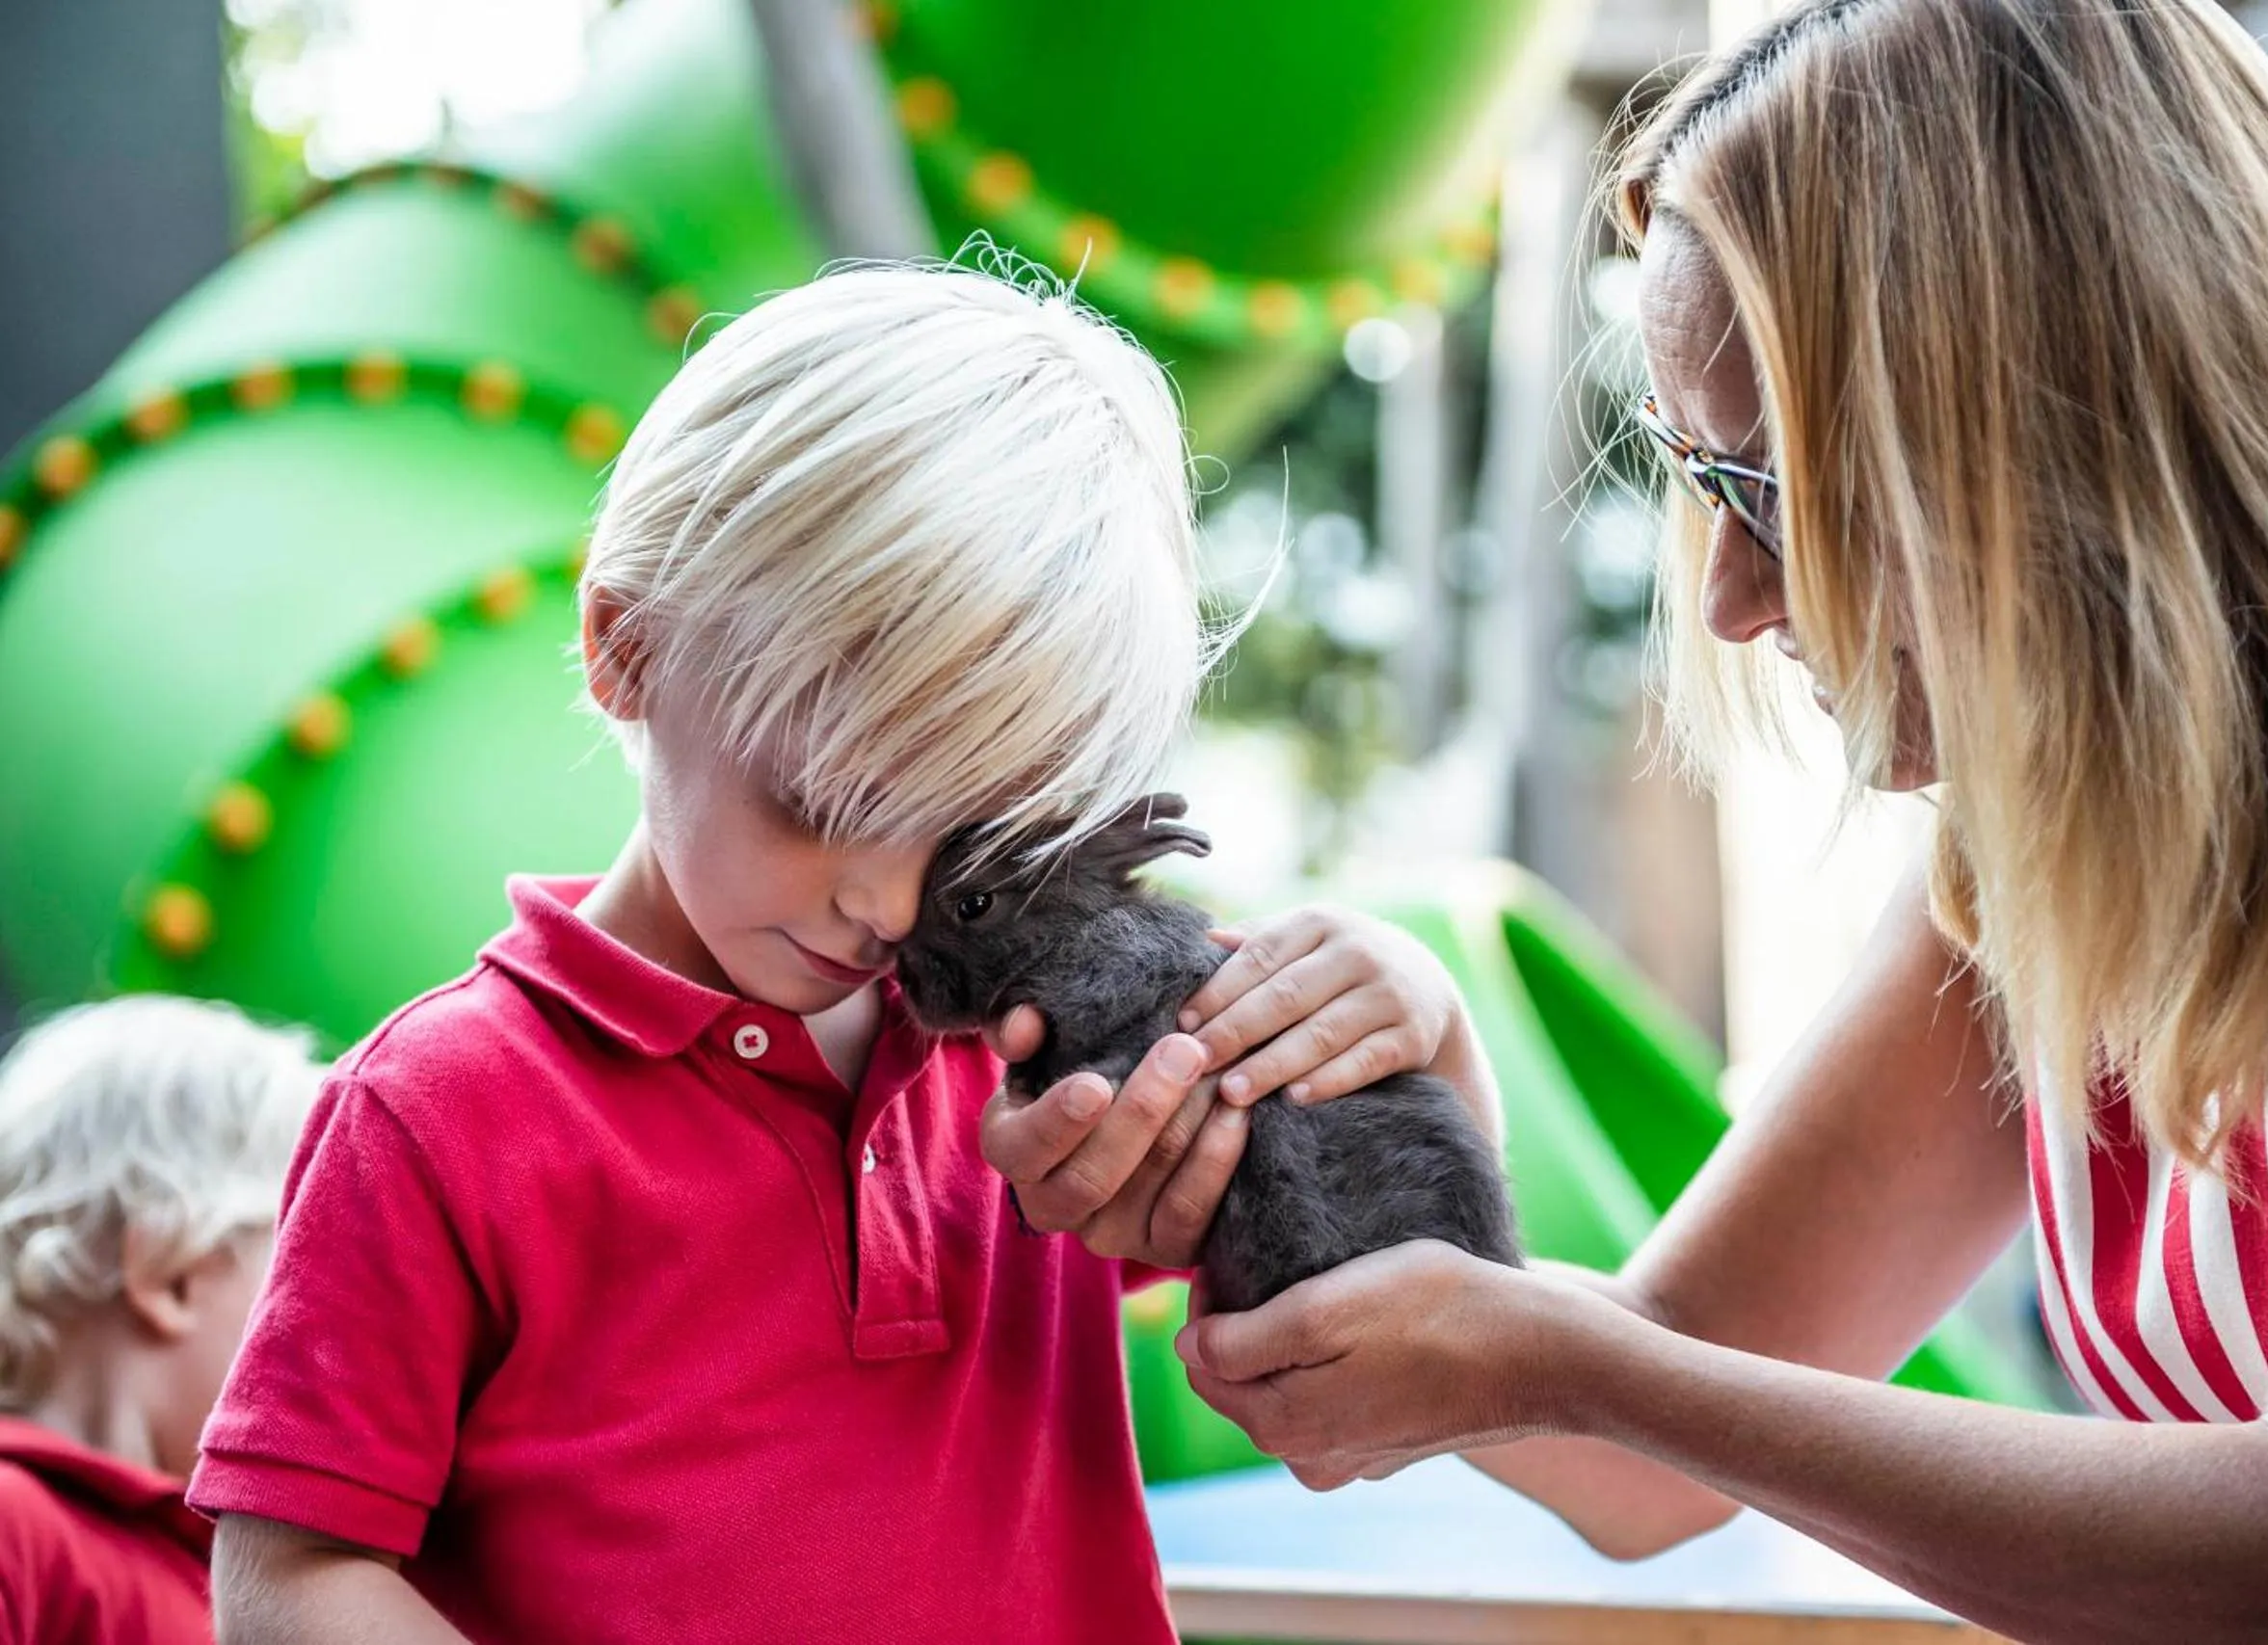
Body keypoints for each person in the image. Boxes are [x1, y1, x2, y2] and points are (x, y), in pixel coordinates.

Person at [1083, 0, 2268, 1634]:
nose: (1731, 600)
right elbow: (1656, 1457)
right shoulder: (2052, 855)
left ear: (2047, 428)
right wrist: (1388, 1135)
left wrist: (1574, 1361)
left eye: (1771, 488)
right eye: (1694, 485)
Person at [193, 262, 1499, 1645]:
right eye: (821, 803)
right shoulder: (439, 1110)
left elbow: (1541, 1426)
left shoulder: (1050, 1046)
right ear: (625, 649)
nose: (887, 899)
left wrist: (1424, 1031)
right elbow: (286, 1573)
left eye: (973, 826)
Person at [0, 994, 319, 1644]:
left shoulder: (237, 1574)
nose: (333, 1329)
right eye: (308, 1269)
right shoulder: (17, 1521)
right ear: (169, 1276)